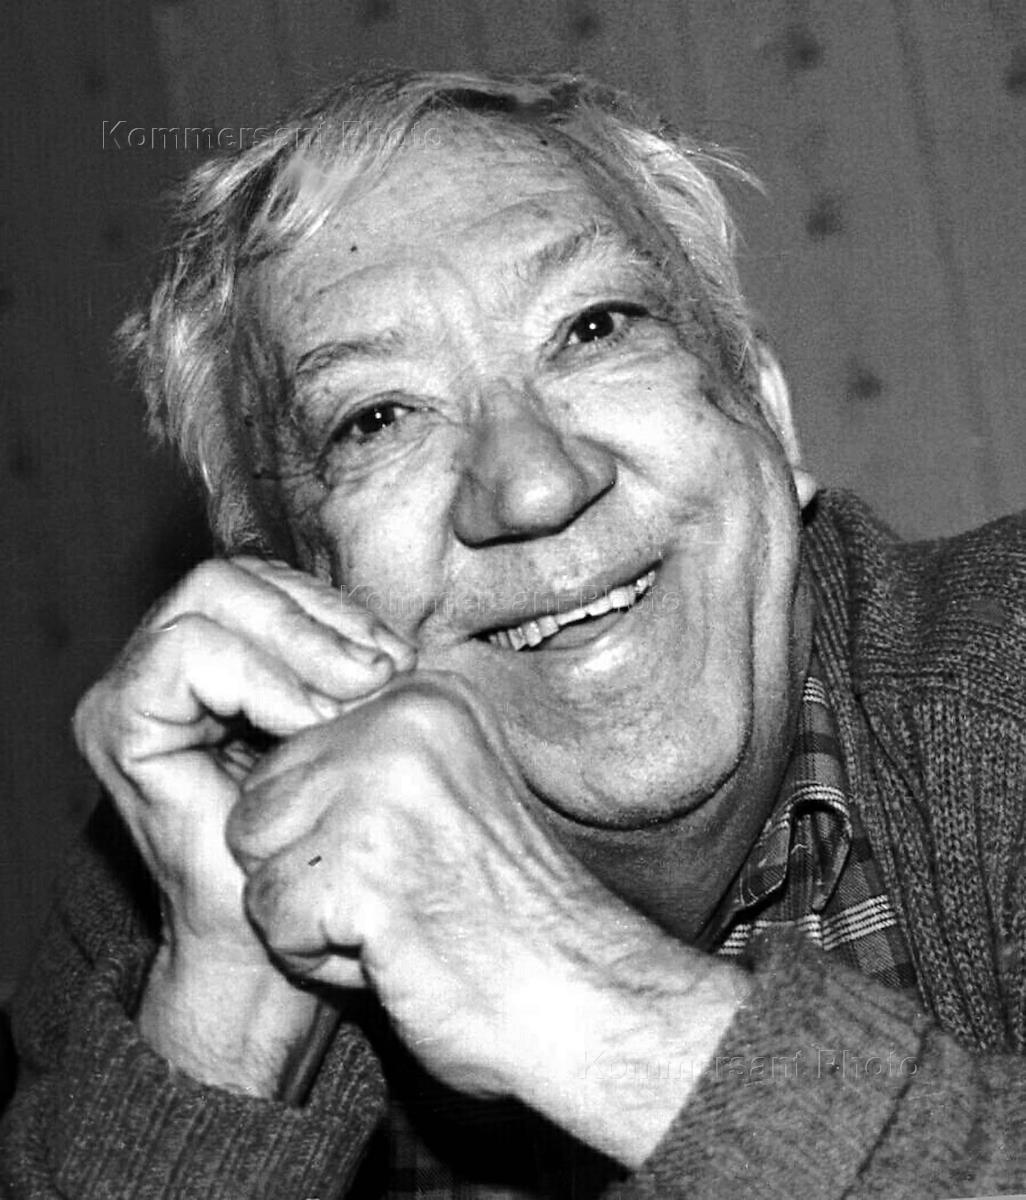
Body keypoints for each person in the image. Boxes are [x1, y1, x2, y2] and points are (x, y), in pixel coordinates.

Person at [2, 67, 1024, 1200]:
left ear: (767, 415)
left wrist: (580, 997)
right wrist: (227, 1034)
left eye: (593, 327)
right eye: (377, 418)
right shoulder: (151, 910)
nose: (534, 486)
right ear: (291, 588)